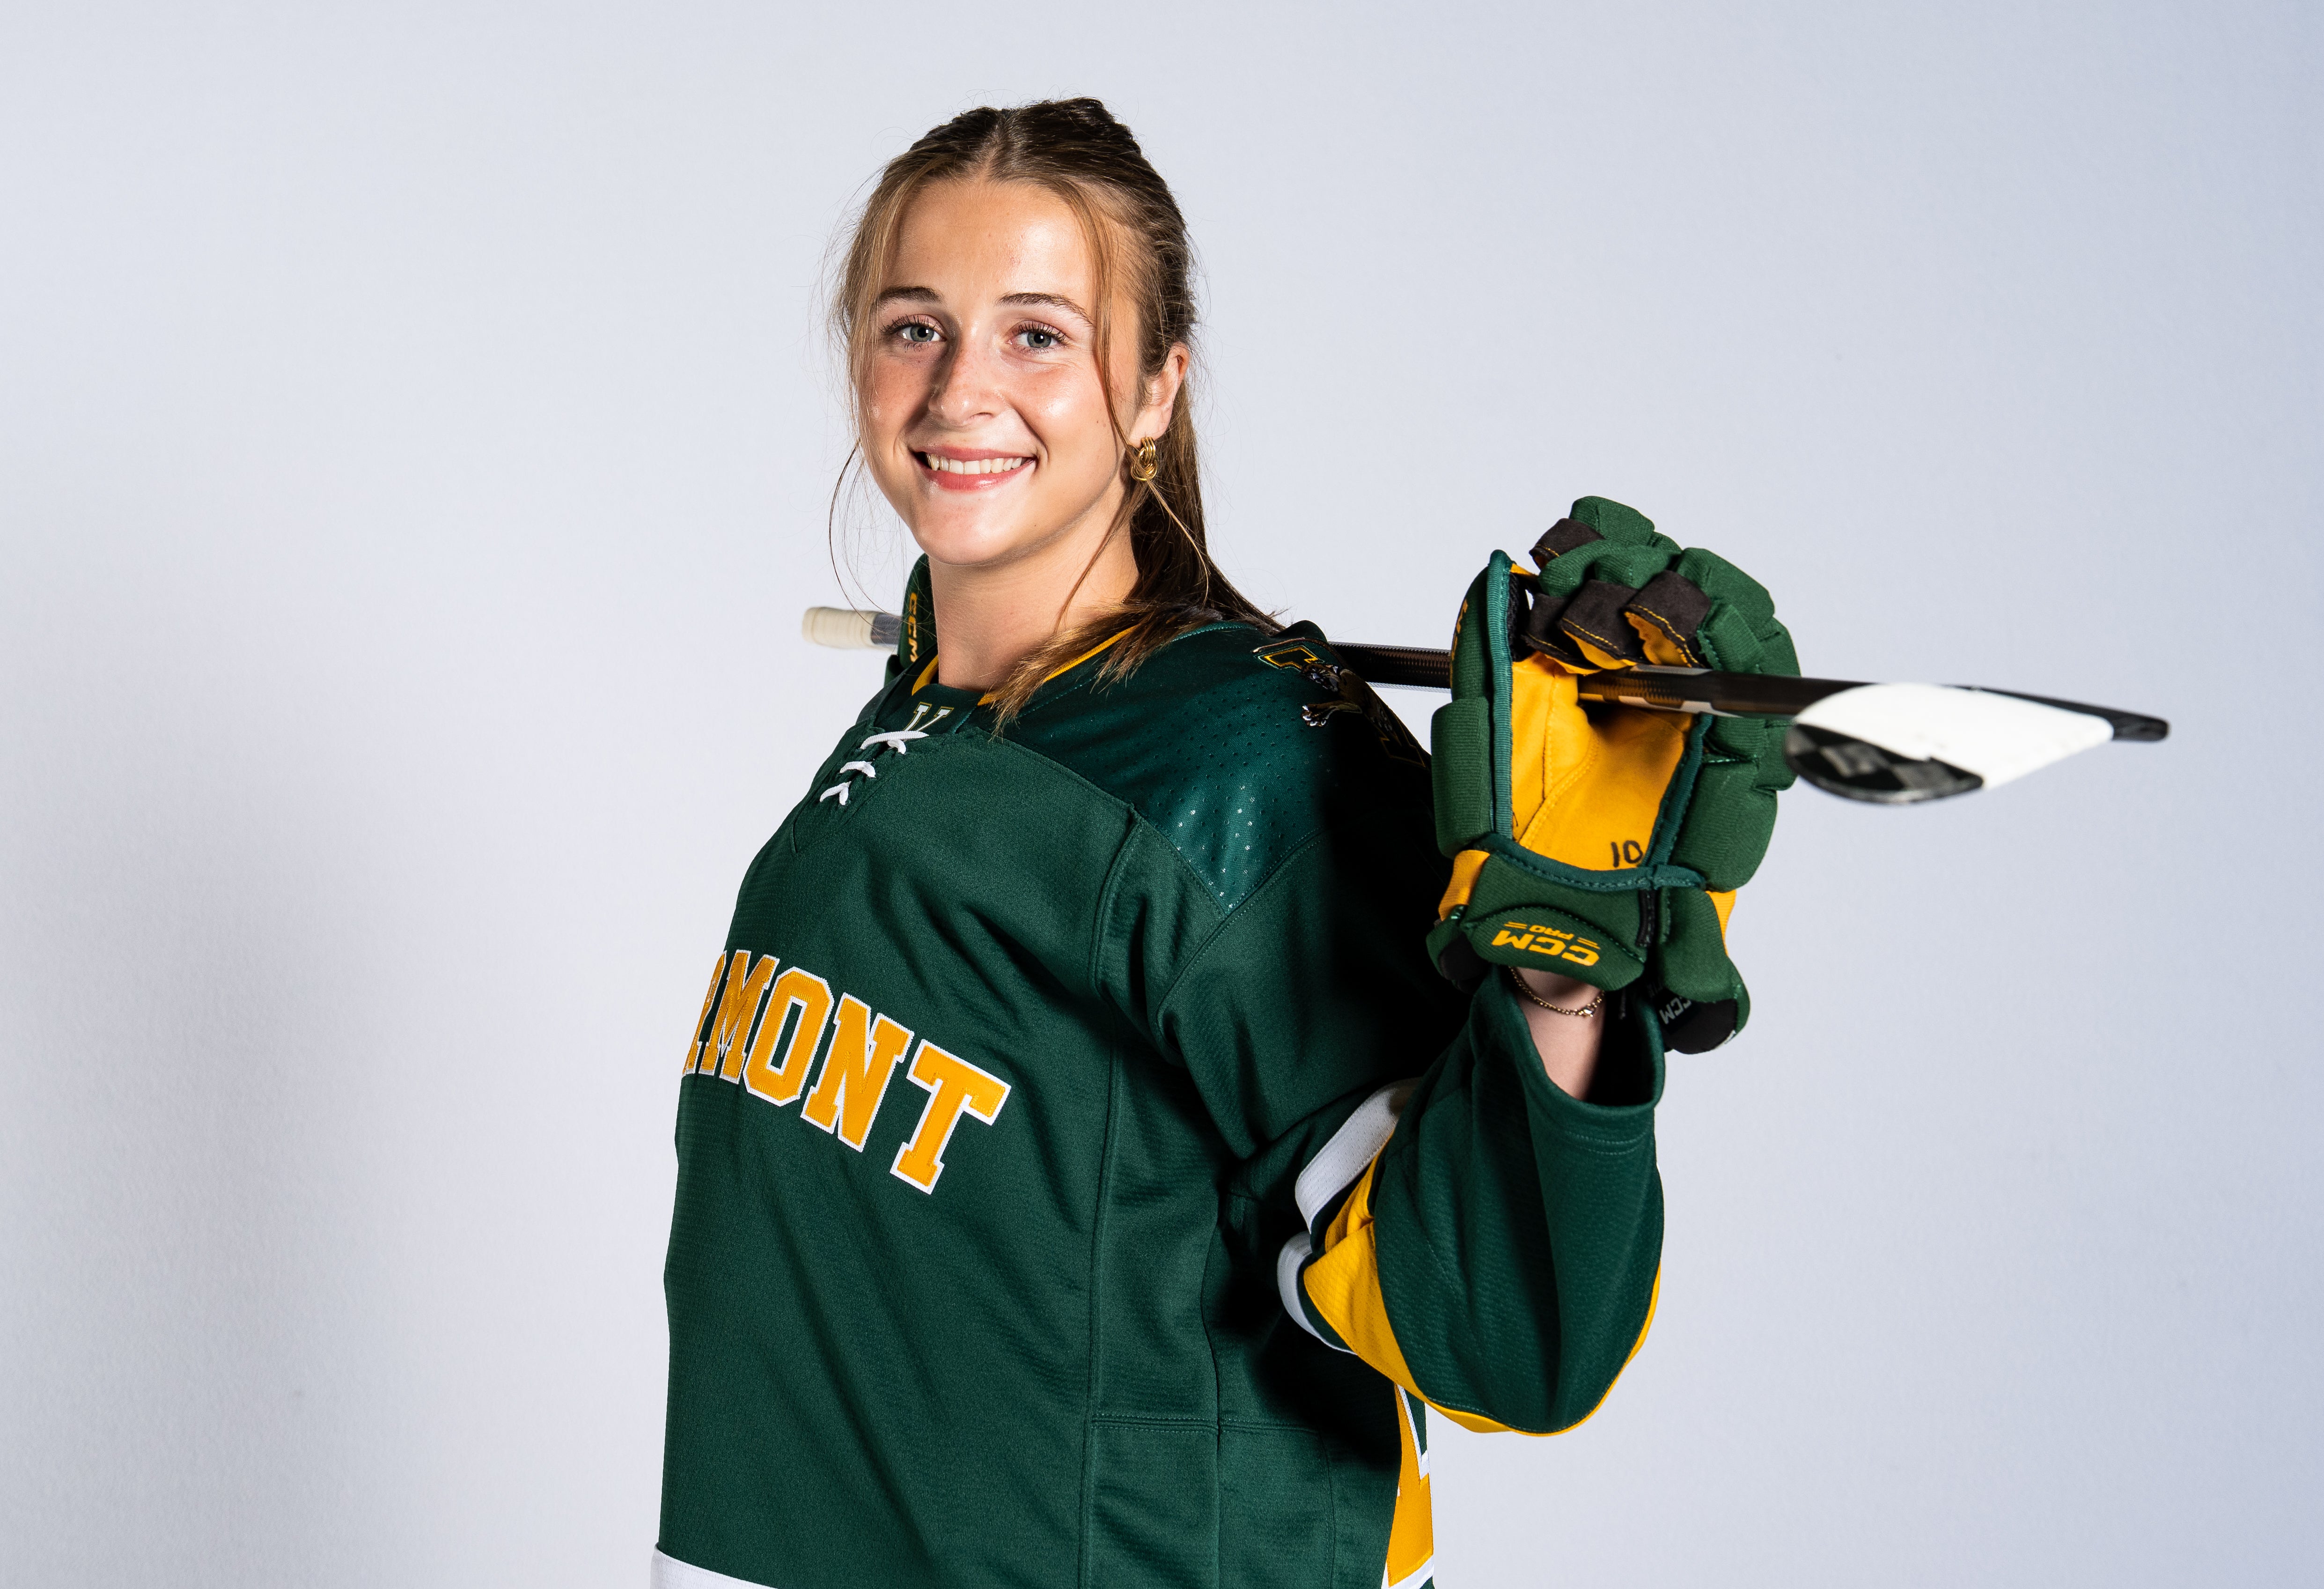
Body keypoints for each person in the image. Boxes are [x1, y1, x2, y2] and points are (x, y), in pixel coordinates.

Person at [655, 98, 1796, 1589]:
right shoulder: (929, 714)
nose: (960, 388)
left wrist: (1561, 978)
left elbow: (1502, 1333)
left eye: (1038, 335)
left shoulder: (1235, 769)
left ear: (1154, 387)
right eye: (914, 326)